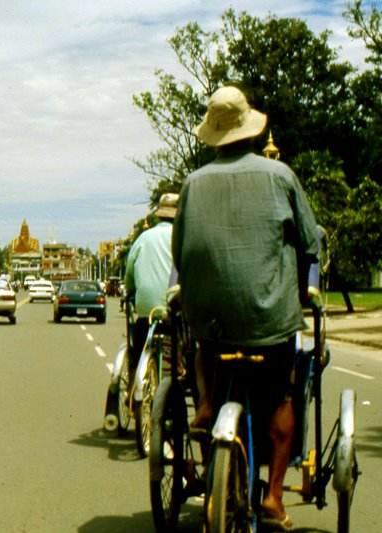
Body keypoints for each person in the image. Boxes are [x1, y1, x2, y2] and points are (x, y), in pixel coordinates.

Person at [172, 86, 320, 532]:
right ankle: (273, 498)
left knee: (204, 347)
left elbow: (180, 253)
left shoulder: (193, 184)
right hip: (270, 319)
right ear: (251, 132)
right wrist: (298, 294)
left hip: (211, 321)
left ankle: (206, 406)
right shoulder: (281, 177)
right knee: (280, 394)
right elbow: (310, 245)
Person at [124, 193, 178, 369]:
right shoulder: (180, 237)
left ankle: (137, 370)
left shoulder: (144, 238)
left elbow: (129, 274)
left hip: (146, 310)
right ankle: (180, 365)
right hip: (174, 309)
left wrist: (131, 289)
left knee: (139, 337)